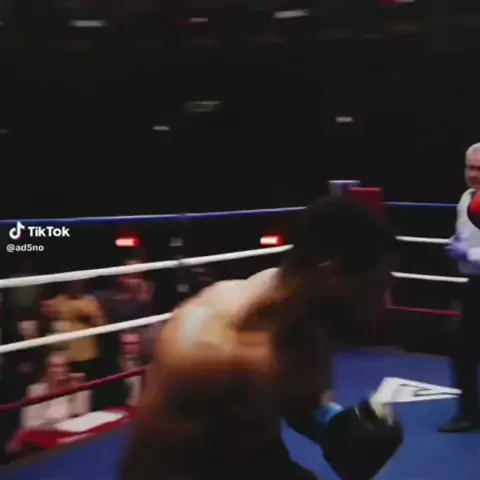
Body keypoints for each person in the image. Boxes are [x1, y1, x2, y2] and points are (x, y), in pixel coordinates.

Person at [120, 195, 403, 480]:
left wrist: (334, 427)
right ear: (332, 274)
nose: (385, 303)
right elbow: (145, 466)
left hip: (257, 454)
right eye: (377, 286)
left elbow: (297, 396)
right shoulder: (210, 350)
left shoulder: (308, 308)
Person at [440, 142, 480, 432]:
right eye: (470, 167)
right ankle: (469, 413)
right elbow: (464, 234)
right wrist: (456, 245)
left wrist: (469, 254)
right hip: (475, 284)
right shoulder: (466, 197)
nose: (474, 174)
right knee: (462, 350)